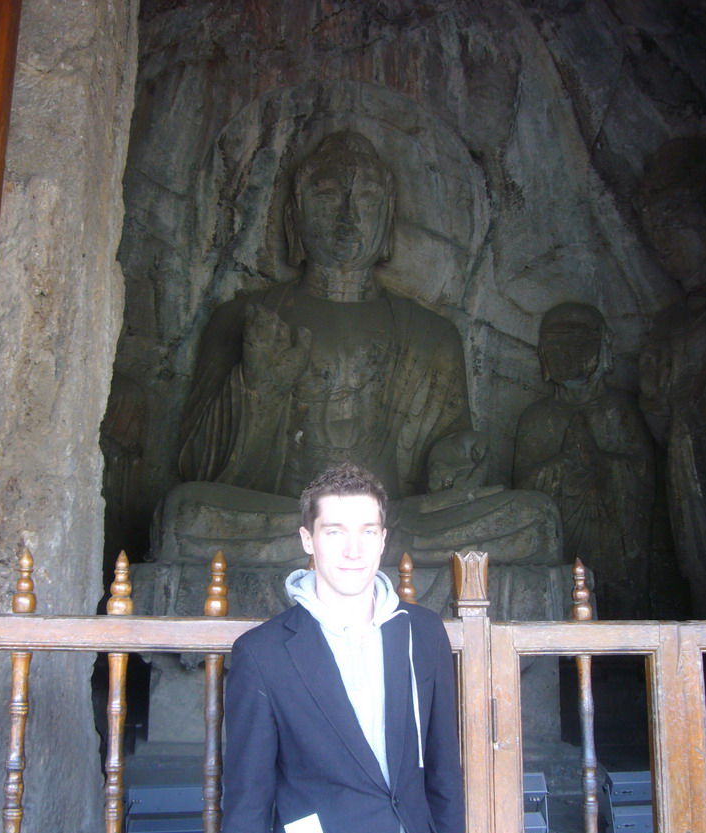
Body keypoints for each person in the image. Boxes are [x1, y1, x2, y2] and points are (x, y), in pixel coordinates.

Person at [152, 131, 561, 569]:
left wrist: (452, 463)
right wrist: (259, 390)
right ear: (294, 217)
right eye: (326, 195)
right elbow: (200, 467)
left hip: (395, 518)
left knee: (533, 518)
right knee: (184, 512)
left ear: (388, 218)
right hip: (289, 518)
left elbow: (444, 465)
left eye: (365, 198)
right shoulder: (247, 318)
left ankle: (359, 544)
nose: (347, 215)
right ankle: (348, 545)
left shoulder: (431, 334)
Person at [220, 462, 466, 833]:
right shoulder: (264, 653)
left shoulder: (421, 633)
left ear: (384, 538)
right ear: (307, 538)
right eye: (335, 531)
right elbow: (246, 811)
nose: (353, 549)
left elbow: (444, 771)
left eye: (367, 531)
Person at [513, 302, 655, 618]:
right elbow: (523, 494)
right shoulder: (537, 418)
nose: (567, 350)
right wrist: (563, 464)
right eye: (556, 341)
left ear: (603, 345)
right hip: (562, 538)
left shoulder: (619, 409)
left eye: (579, 339)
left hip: (613, 539)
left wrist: (600, 461)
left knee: (620, 609)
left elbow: (643, 478)